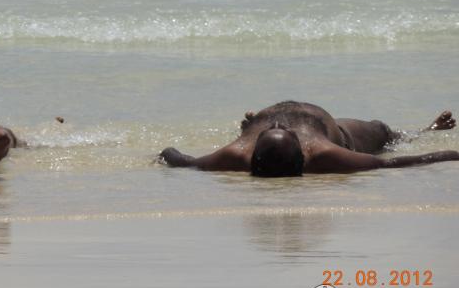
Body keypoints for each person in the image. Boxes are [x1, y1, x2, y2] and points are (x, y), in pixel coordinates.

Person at [159, 101, 458, 176]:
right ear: (304, 152)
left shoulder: (237, 153)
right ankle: (425, 130)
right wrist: (451, 153)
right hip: (340, 133)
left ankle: (250, 125)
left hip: (280, 138)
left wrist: (162, 153)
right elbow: (395, 164)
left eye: (270, 127)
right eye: (283, 129)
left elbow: (178, 158)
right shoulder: (324, 153)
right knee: (382, 132)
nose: (278, 121)